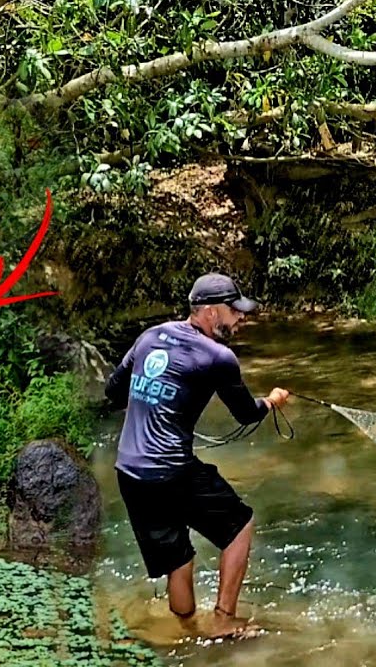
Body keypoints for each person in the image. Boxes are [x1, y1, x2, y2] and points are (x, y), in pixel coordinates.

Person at [106, 273, 290, 638]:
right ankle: (223, 619)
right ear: (210, 312)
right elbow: (246, 413)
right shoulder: (218, 357)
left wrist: (150, 401)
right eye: (234, 311)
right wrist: (272, 401)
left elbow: (114, 390)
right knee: (240, 525)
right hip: (171, 471)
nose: (241, 318)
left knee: (179, 559)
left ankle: (187, 632)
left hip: (129, 471)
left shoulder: (150, 336)